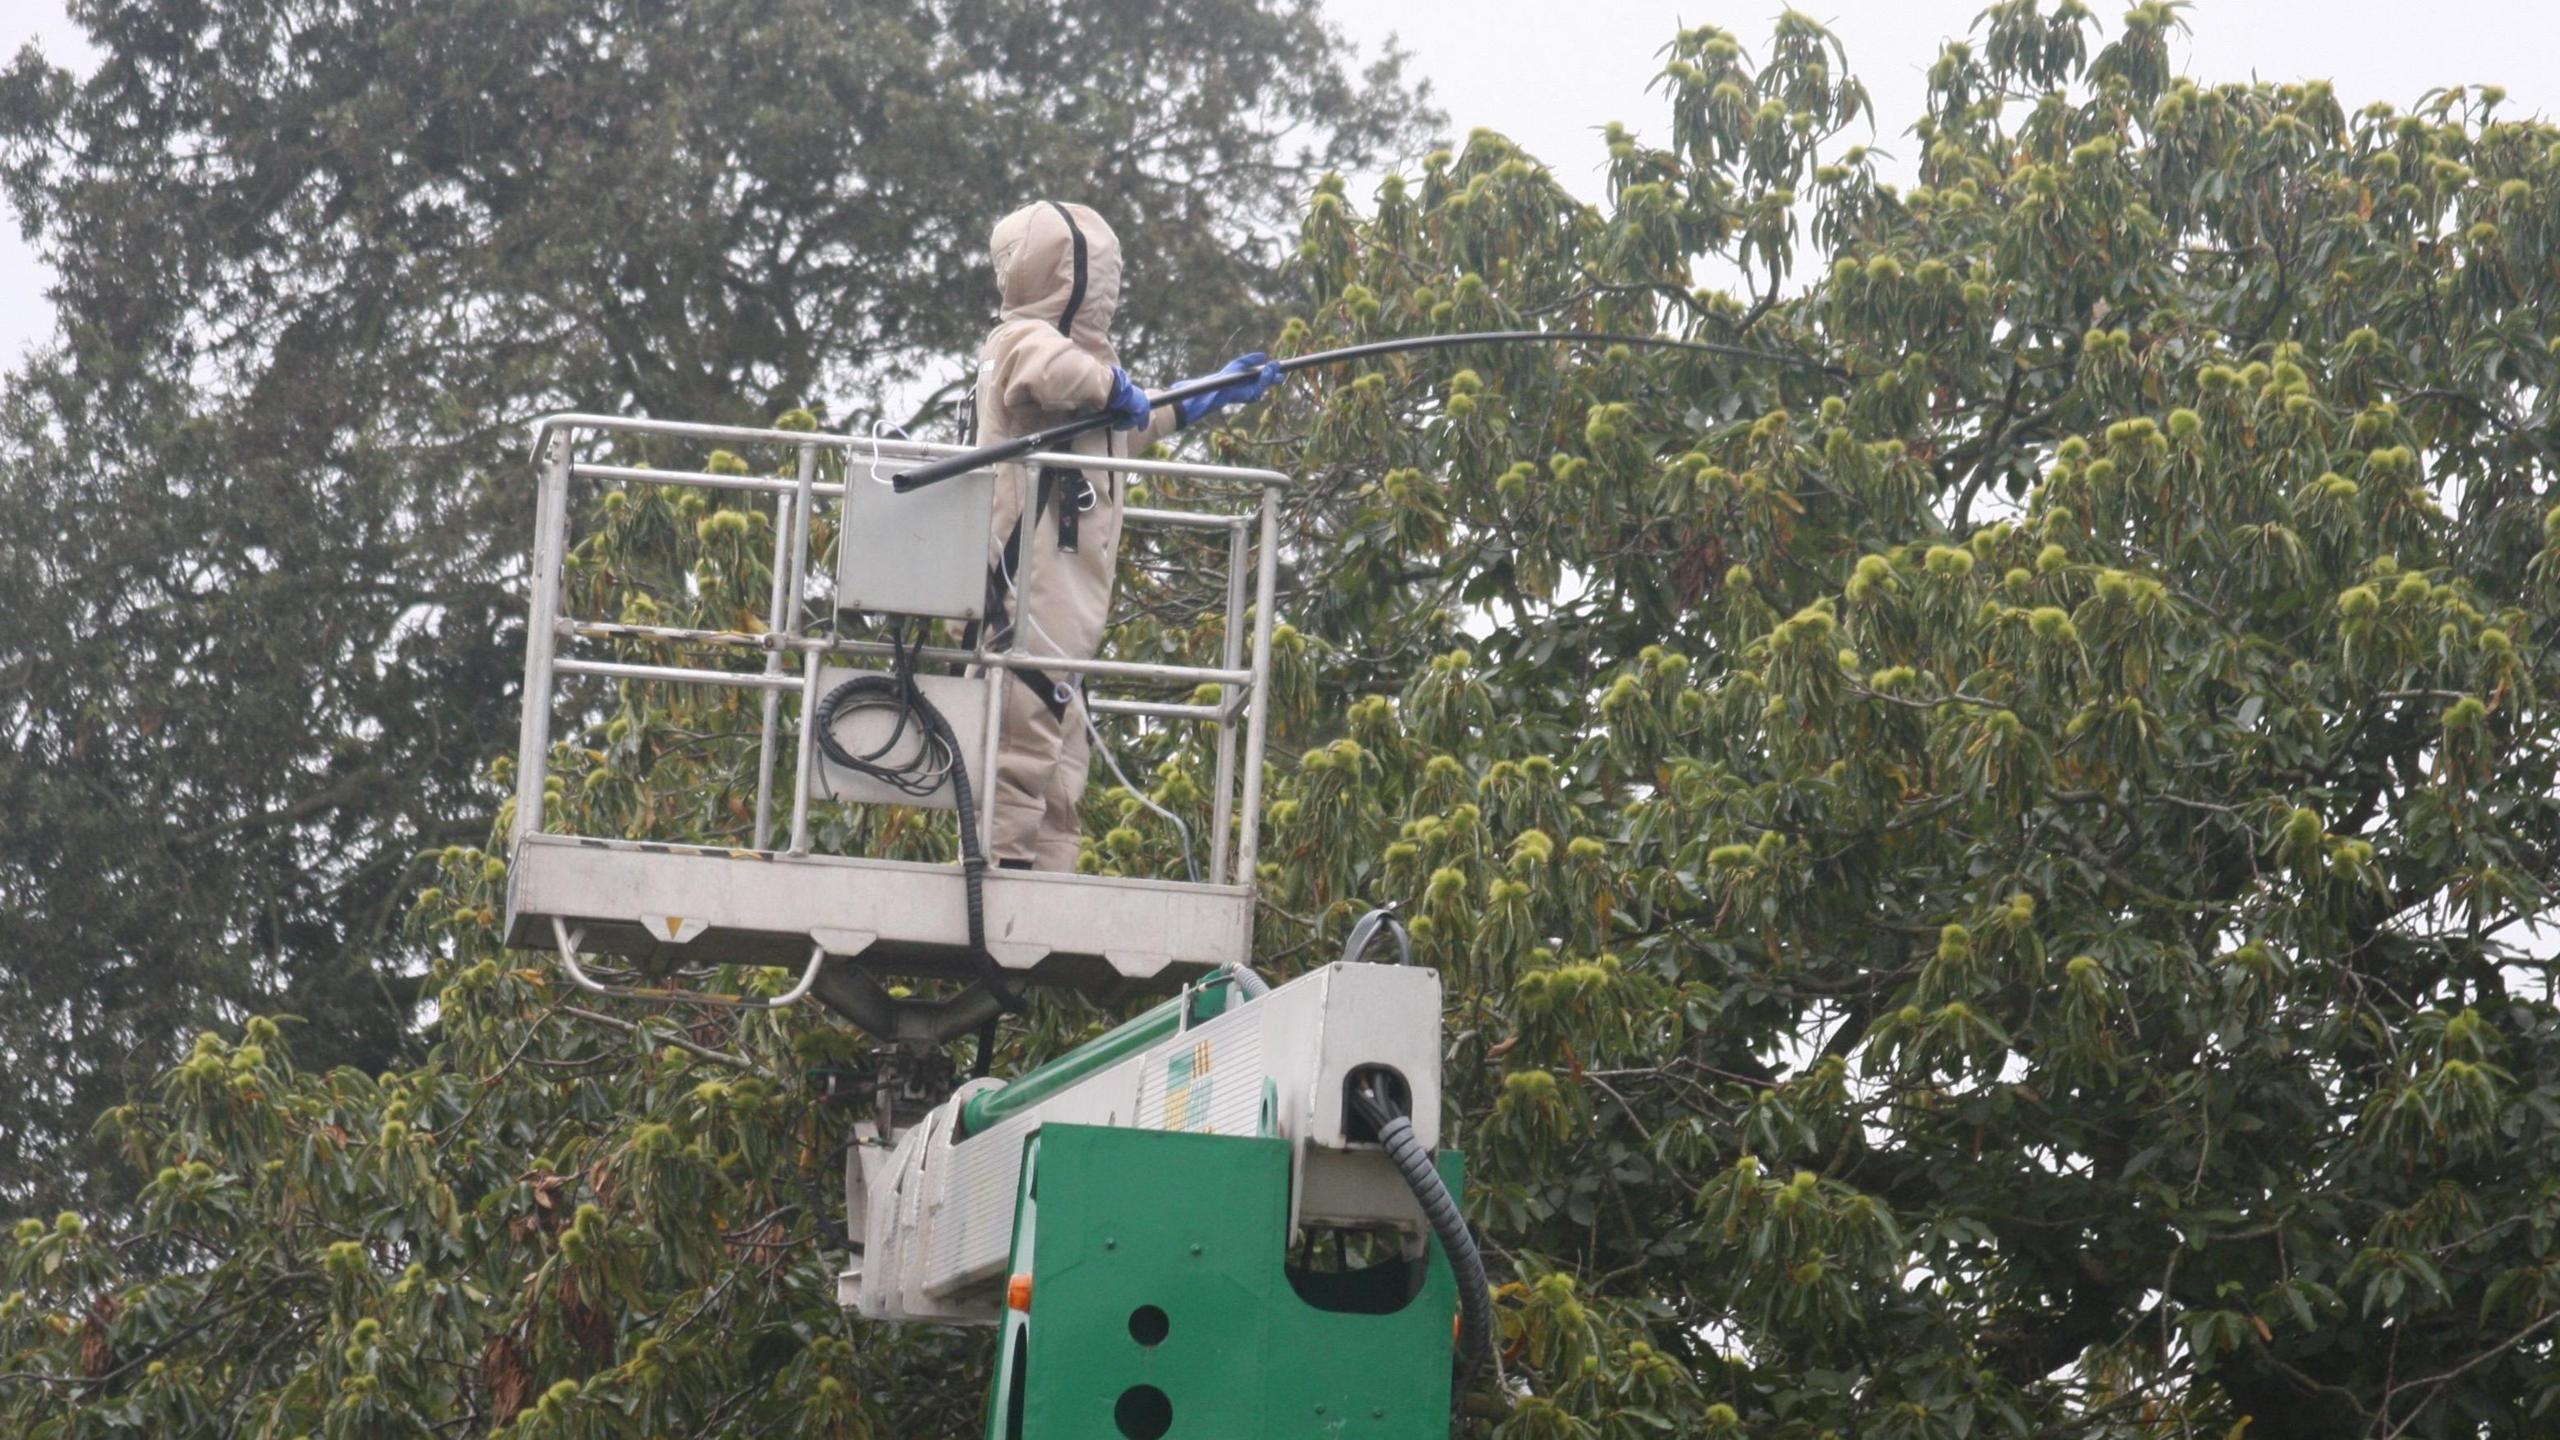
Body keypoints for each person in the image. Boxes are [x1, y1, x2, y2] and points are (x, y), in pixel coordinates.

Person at [973, 200, 1282, 870]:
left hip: (1069, 600)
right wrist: (1116, 384)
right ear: (1072, 275)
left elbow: (1120, 426)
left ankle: (1047, 881)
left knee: (1063, 756)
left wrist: (1201, 397)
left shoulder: (1086, 373)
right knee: (1019, 737)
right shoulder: (1020, 342)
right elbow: (1055, 374)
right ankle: (997, 879)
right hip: (1025, 590)